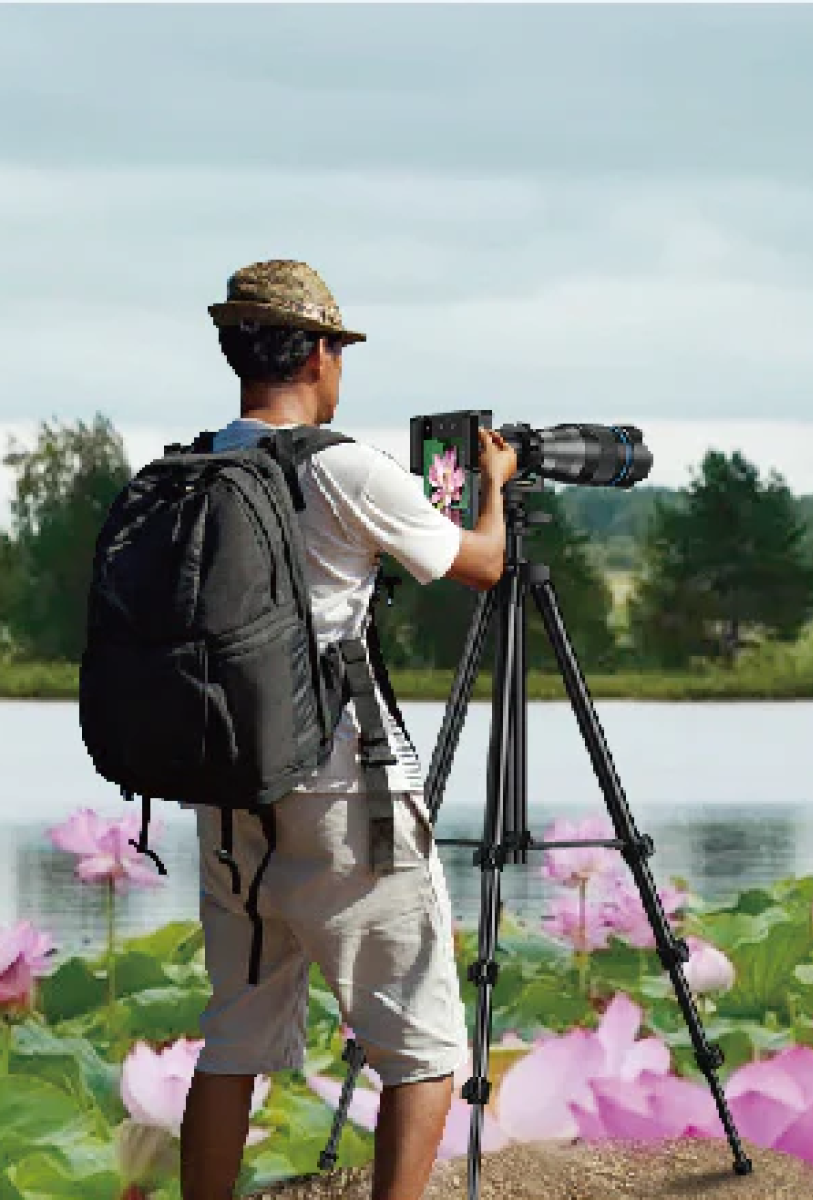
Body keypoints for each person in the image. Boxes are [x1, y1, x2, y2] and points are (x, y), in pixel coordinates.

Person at [179, 259, 518, 1200]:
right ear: (322, 354)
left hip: (226, 789)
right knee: (420, 1039)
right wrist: (491, 483)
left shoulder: (198, 465)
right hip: (345, 791)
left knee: (233, 1037)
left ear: (237, 351)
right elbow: (480, 564)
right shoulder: (347, 468)